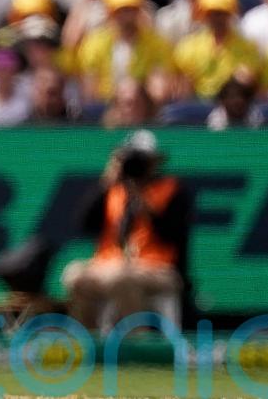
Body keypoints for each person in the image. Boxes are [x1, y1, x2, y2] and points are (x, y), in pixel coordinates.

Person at [62, 130, 192, 334]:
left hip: (159, 267)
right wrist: (106, 182)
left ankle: (138, 339)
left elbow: (174, 234)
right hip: (110, 263)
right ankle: (88, 339)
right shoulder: (113, 190)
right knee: (75, 274)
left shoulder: (171, 189)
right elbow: (84, 225)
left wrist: (146, 205)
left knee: (121, 278)